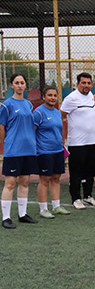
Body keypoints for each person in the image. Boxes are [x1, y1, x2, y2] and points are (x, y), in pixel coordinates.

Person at [0, 74, 40, 227]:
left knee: (25, 181)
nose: (19, 85)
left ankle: (22, 214)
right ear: (11, 85)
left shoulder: (29, 105)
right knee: (10, 183)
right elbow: (1, 127)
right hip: (13, 150)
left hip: (28, 149)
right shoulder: (6, 105)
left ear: (25, 86)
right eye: (16, 83)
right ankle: (6, 218)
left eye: (22, 83)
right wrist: (5, 144)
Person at [60, 72, 95, 209]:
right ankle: (76, 198)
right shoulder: (71, 98)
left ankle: (88, 196)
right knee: (76, 173)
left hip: (92, 142)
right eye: (83, 83)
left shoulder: (90, 96)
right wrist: (63, 138)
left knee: (90, 172)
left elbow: (94, 97)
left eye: (89, 83)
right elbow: (61, 115)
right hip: (77, 144)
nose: (86, 85)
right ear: (77, 84)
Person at [32, 87, 69, 219]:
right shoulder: (38, 113)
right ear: (43, 97)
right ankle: (43, 208)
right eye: (49, 95)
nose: (52, 98)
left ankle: (56, 206)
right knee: (44, 180)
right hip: (44, 151)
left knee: (56, 178)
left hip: (58, 151)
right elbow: (33, 132)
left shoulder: (57, 112)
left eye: (54, 95)